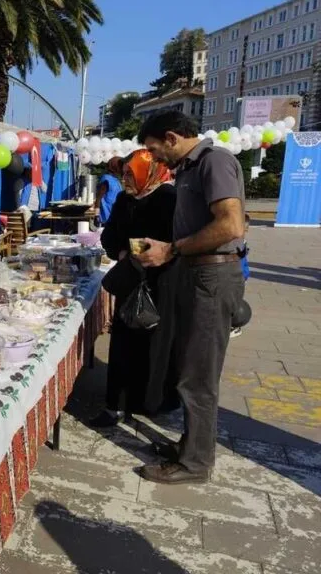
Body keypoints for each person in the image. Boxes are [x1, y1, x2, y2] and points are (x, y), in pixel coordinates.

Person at [135, 111, 246, 485]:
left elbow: (231, 224)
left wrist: (172, 249)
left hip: (211, 277)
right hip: (195, 272)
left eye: (153, 149)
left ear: (170, 137)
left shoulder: (214, 162)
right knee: (187, 368)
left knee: (198, 376)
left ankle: (196, 463)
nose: (152, 158)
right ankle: (190, 447)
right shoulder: (188, 168)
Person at [90, 150, 177, 427]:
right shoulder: (124, 199)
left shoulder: (168, 198)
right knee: (123, 342)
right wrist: (122, 251)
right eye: (124, 173)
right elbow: (109, 234)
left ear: (148, 172)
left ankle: (149, 402)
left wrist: (141, 248)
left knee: (154, 345)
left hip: (160, 284)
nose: (126, 179)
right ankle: (114, 404)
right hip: (131, 282)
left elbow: (172, 240)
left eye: (131, 173)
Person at [94, 156, 124, 225]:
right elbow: (98, 198)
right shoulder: (106, 180)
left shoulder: (116, 180)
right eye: (120, 166)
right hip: (107, 218)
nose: (122, 169)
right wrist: (97, 215)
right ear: (115, 167)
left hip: (115, 217)